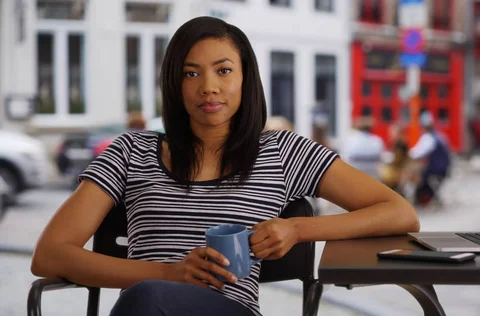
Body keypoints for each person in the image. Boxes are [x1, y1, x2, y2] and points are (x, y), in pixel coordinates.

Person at [30, 17, 419, 316]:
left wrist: (299, 228)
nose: (208, 87)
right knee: (149, 297)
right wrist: (168, 274)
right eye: (191, 73)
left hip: (229, 310)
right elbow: (49, 255)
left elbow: (399, 212)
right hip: (147, 307)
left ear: (245, 77)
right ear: (174, 84)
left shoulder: (281, 151)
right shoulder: (132, 151)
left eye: (223, 70)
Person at [409, 111, 451, 206]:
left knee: (415, 175)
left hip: (436, 170)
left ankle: (419, 198)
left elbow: (417, 153)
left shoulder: (428, 138)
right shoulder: (440, 136)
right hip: (444, 169)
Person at [340, 116, 385, 180]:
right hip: (373, 179)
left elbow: (344, 159)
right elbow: (381, 161)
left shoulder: (350, 141)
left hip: (353, 179)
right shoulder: (377, 141)